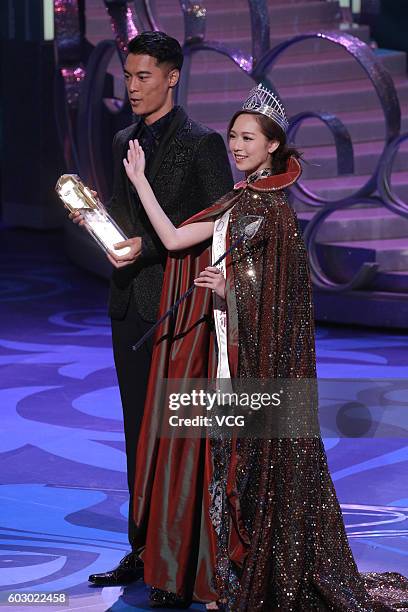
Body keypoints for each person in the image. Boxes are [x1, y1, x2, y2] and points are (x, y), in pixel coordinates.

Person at [123, 83, 408, 610]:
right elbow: (173, 240)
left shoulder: (275, 211)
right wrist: (140, 181)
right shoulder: (238, 199)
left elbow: (284, 292)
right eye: (232, 136)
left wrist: (231, 289)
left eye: (247, 138)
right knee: (226, 463)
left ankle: (243, 575)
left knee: (245, 465)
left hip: (252, 360)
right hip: (226, 353)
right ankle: (223, 577)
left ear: (272, 145)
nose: (236, 145)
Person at [70, 31, 233, 586]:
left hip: (180, 306)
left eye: (144, 77)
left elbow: (219, 223)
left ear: (172, 77)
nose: (133, 87)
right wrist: (99, 224)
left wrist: (149, 245)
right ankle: (143, 550)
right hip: (132, 305)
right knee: (138, 426)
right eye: (129, 75)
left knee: (181, 429)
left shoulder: (204, 143)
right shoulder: (123, 138)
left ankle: (185, 558)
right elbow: (124, 216)